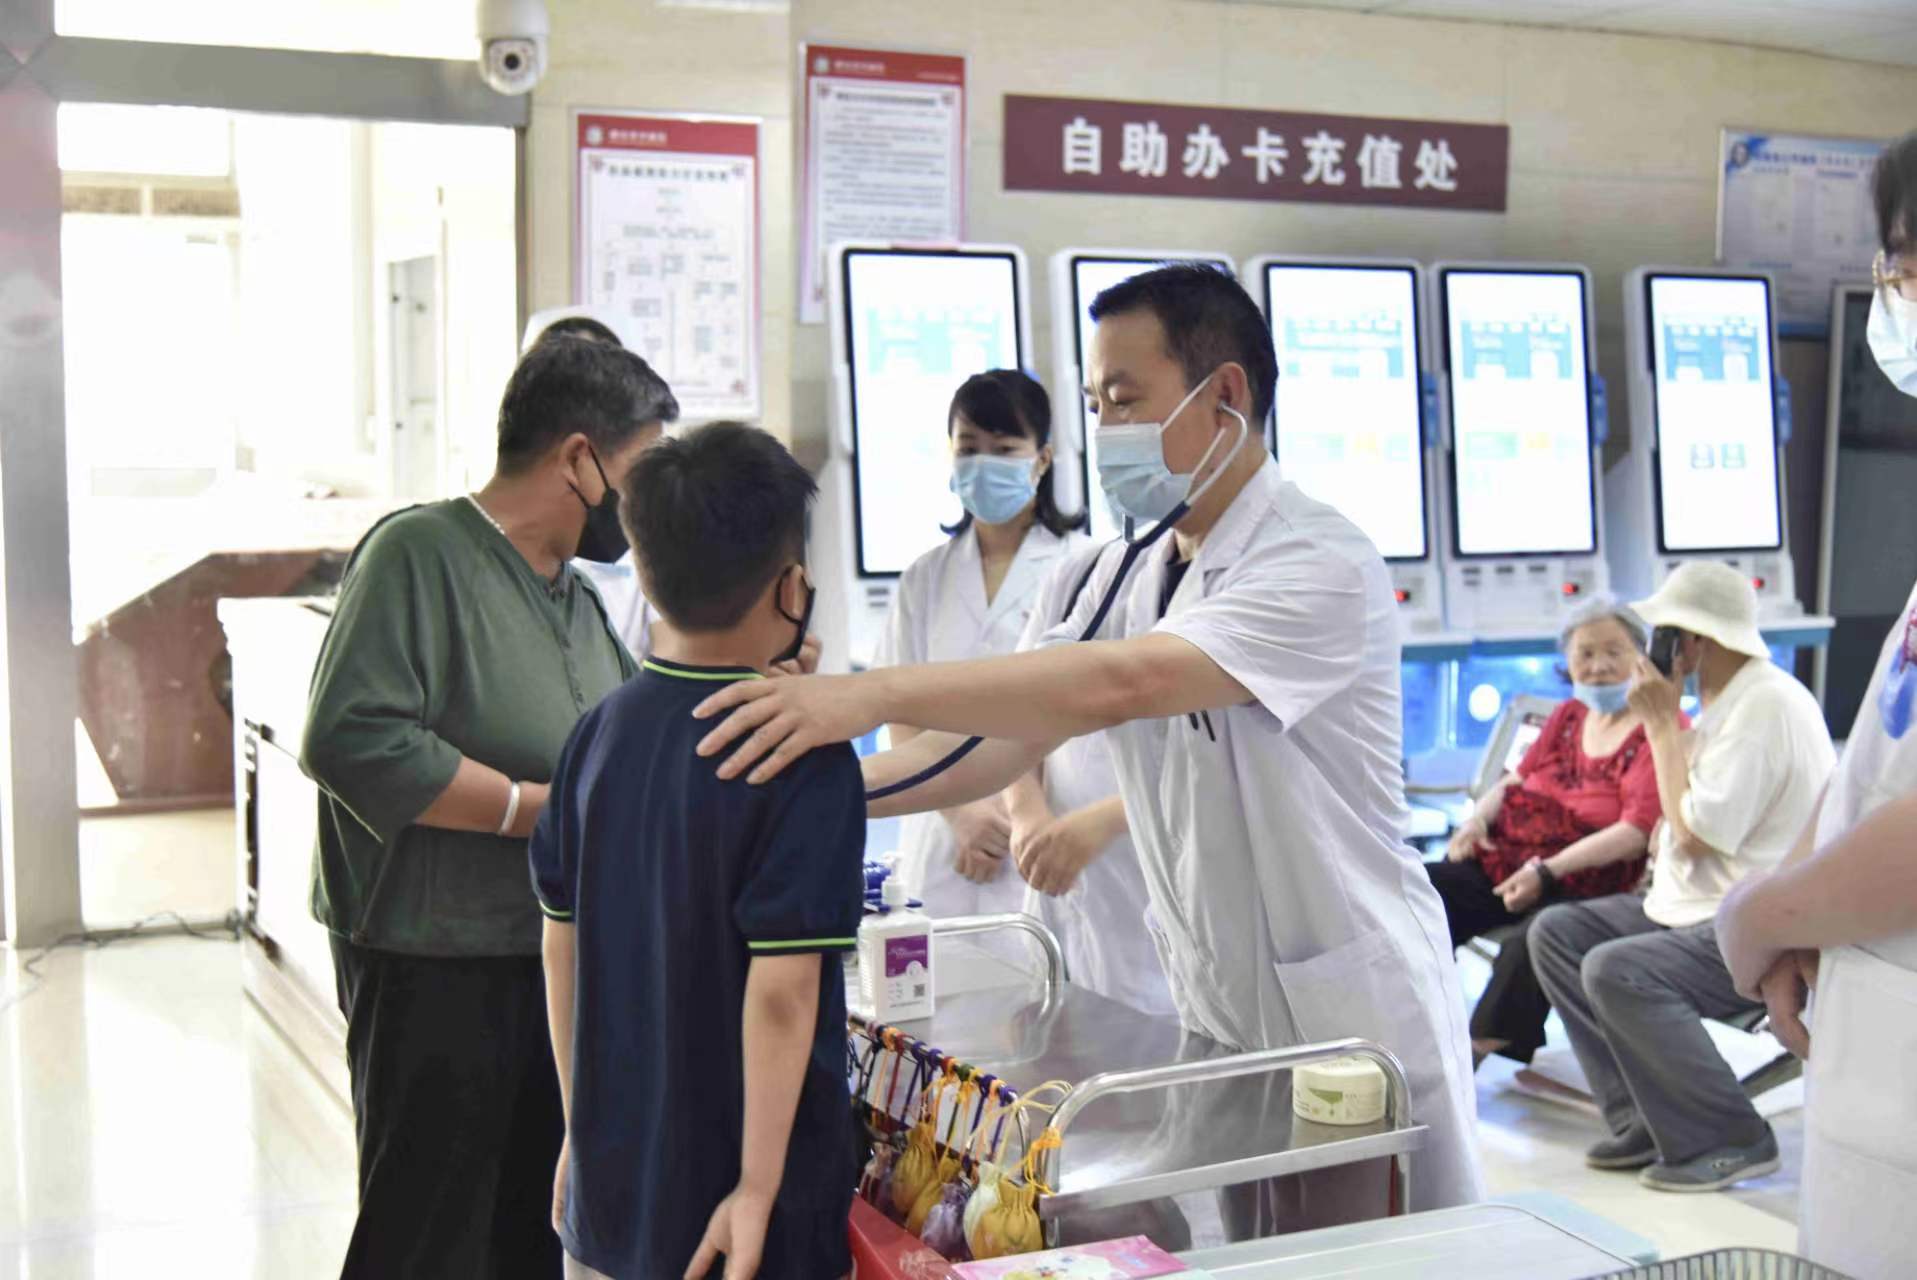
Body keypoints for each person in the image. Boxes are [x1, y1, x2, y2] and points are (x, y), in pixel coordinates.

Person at [691, 264, 1484, 1222]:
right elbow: (987, 745)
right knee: (1251, 1250)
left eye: (1125, 399)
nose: (1106, 430)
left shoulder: (1316, 558)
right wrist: (806, 784)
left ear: (1224, 396)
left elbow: (1125, 682)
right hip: (1222, 1013)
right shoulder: (1110, 576)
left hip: (1349, 1016)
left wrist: (863, 694)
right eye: (1096, 405)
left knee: (1366, 1255)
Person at [300, 335, 678, 1278]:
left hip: (547, 963)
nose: (647, 501)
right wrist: (529, 810)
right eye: (641, 468)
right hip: (434, 962)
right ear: (578, 458)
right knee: (428, 1231)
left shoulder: (577, 600)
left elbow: (621, 744)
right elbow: (352, 737)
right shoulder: (420, 554)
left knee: (528, 1230)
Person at [534, 422, 860, 1280]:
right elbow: (782, 993)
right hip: (738, 1219)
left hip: (612, 1191)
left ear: (644, 576)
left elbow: (561, 946)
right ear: (792, 587)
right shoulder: (801, 757)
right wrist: (756, 1187)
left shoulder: (596, 733)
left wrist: (580, 1128)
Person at [1715, 130, 1917, 1278]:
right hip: (1873, 1063)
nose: (1898, 297)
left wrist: (1761, 912)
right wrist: (1791, 908)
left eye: (1907, 265)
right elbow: (1878, 761)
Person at [1529, 562, 1833, 1193]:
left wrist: (1661, 725)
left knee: (1617, 969)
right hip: (1694, 901)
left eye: (1662, 633)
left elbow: (1697, 833)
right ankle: (1646, 1118)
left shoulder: (1765, 707)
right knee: (1556, 933)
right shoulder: (1726, 699)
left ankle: (1730, 1137)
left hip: (1750, 921)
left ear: (1691, 640)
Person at [874, 369, 1089, 918]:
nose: (984, 462)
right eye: (969, 448)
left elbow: (1087, 709)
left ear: (1042, 459)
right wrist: (960, 811)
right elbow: (896, 710)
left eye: (1004, 448)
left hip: (1047, 825)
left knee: (1040, 963)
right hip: (941, 831)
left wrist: (1015, 811)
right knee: (931, 967)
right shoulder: (925, 578)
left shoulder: (1083, 566)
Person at [1429, 598, 1665, 1067]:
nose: (1598, 666)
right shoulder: (1568, 716)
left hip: (1587, 880)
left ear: (1642, 657)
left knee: (1535, 937)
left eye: (1614, 652)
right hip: (1512, 859)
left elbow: (1635, 832)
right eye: (1585, 654)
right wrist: (1476, 822)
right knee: (1427, 890)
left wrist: (1546, 871)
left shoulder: (1658, 730)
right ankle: (1416, 1017)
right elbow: (1515, 780)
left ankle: (1479, 1054)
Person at [1004, 540, 1175, 1018]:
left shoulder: (1242, 579)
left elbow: (1226, 763)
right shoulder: (1079, 573)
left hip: (1161, 914)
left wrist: (1109, 819)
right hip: (1065, 908)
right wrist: (1026, 812)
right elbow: (1016, 705)